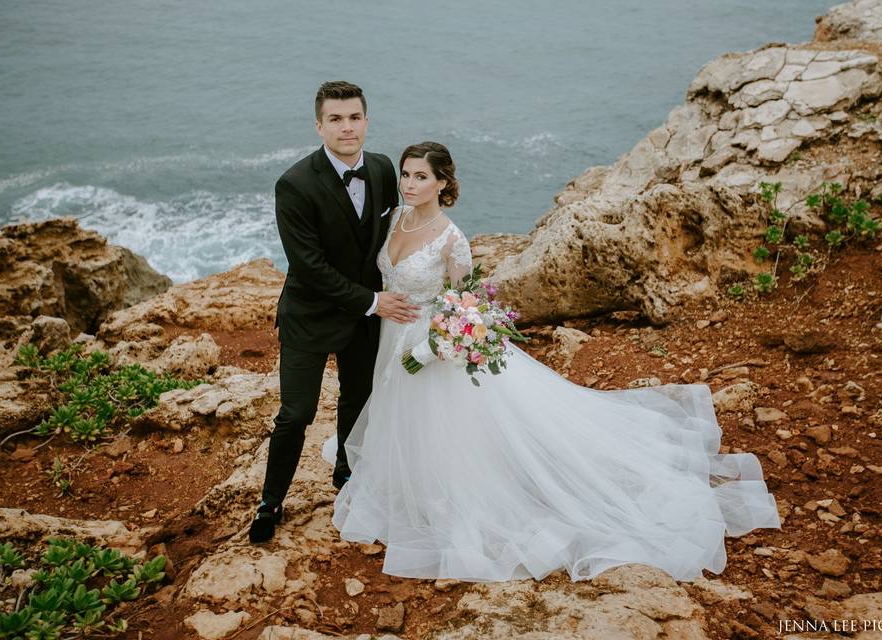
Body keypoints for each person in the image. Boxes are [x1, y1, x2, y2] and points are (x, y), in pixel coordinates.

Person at [322, 141, 782, 582]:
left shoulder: (452, 239)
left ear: (443, 183)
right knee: (398, 418)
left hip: (429, 347)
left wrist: (431, 347)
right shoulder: (394, 219)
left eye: (421, 176)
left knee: (446, 429)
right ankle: (402, 482)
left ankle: (453, 496)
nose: (408, 183)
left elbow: (467, 307)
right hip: (389, 336)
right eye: (405, 174)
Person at [249, 81, 420, 544]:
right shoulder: (295, 184)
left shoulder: (384, 168)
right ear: (319, 126)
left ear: (366, 120)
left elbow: (394, 234)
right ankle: (271, 502)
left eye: (354, 117)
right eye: (336, 119)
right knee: (295, 413)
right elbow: (310, 265)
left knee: (358, 400)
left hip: (366, 319)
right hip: (311, 315)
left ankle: (347, 478)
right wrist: (372, 300)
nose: (347, 127)